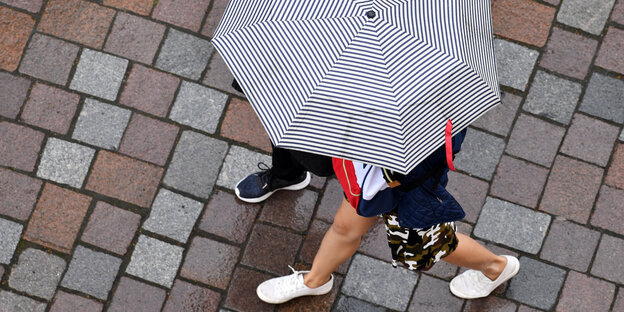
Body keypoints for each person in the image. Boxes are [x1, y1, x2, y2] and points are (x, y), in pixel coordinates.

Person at [233, 81, 519, 304]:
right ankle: (315, 281)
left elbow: (434, 153)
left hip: (405, 184)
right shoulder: (369, 87)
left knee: (425, 247)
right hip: (371, 177)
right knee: (345, 227)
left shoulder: (427, 107)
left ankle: (496, 267)